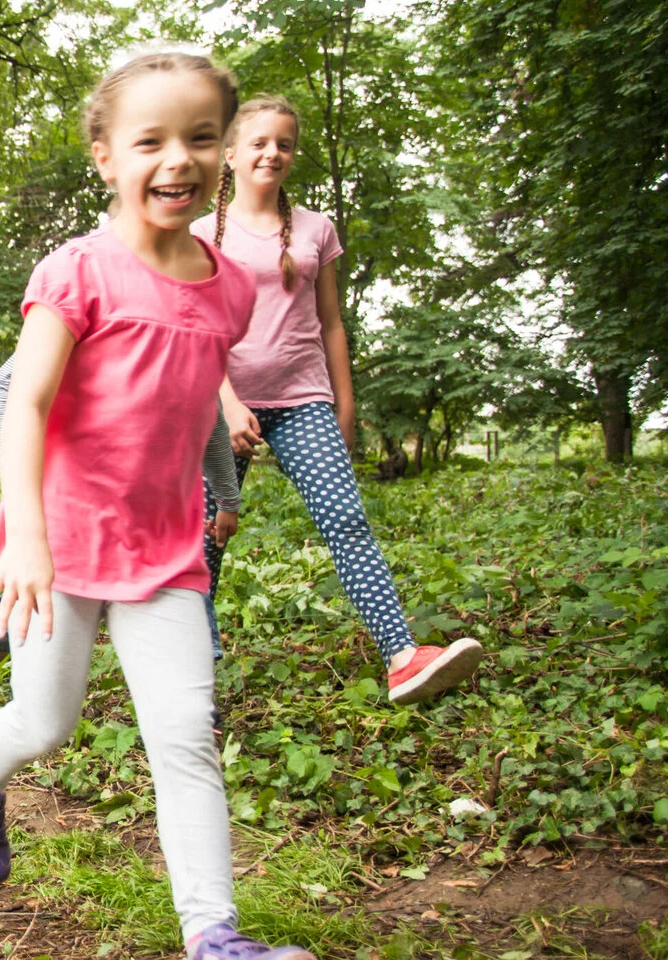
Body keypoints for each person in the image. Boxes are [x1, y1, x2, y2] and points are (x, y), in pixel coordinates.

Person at [0, 50, 315, 960]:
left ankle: (214, 934)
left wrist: (220, 494)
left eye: (198, 137)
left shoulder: (228, 286)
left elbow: (199, 408)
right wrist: (24, 536)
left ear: (221, 151)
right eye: (150, 140)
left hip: (164, 551)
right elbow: (24, 402)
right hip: (59, 544)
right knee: (46, 722)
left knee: (185, 733)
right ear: (105, 155)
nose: (176, 159)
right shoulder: (77, 272)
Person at [194, 95, 481, 706]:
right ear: (230, 154)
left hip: (303, 400)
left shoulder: (317, 228)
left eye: (285, 144)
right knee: (203, 539)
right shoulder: (198, 233)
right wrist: (225, 400)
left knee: (347, 522)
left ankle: (403, 657)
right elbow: (196, 327)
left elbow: (331, 323)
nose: (273, 152)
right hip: (221, 406)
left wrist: (342, 409)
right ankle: (193, 684)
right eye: (260, 142)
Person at [0, 362, 241, 738]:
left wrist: (227, 499)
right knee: (13, 615)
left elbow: (211, 416)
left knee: (175, 603)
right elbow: (0, 389)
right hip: (65, 507)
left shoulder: (189, 331)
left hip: (151, 520)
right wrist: (12, 470)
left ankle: (190, 708)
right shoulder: (84, 312)